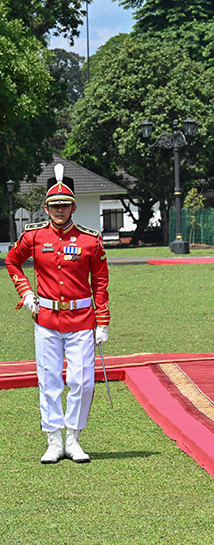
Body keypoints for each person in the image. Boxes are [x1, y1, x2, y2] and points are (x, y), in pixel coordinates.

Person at [6, 165, 110, 464]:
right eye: (54, 206)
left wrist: (102, 322)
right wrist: (26, 293)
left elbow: (100, 281)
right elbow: (12, 261)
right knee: (49, 380)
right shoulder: (34, 236)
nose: (59, 210)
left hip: (81, 319)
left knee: (83, 381)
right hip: (47, 319)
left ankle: (73, 438)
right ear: (46, 208)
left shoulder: (90, 240)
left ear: (74, 207)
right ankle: (53, 440)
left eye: (65, 205)